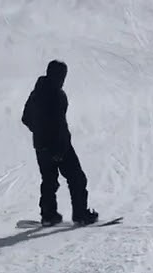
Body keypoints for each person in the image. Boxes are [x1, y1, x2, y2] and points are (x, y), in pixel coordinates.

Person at [21, 60, 98, 226]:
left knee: (49, 180)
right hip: (59, 146)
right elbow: (57, 124)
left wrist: (40, 133)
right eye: (62, 75)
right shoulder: (56, 94)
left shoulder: (37, 93)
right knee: (76, 177)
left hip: (41, 145)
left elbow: (26, 118)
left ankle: (48, 215)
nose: (63, 79)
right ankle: (80, 214)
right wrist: (55, 144)